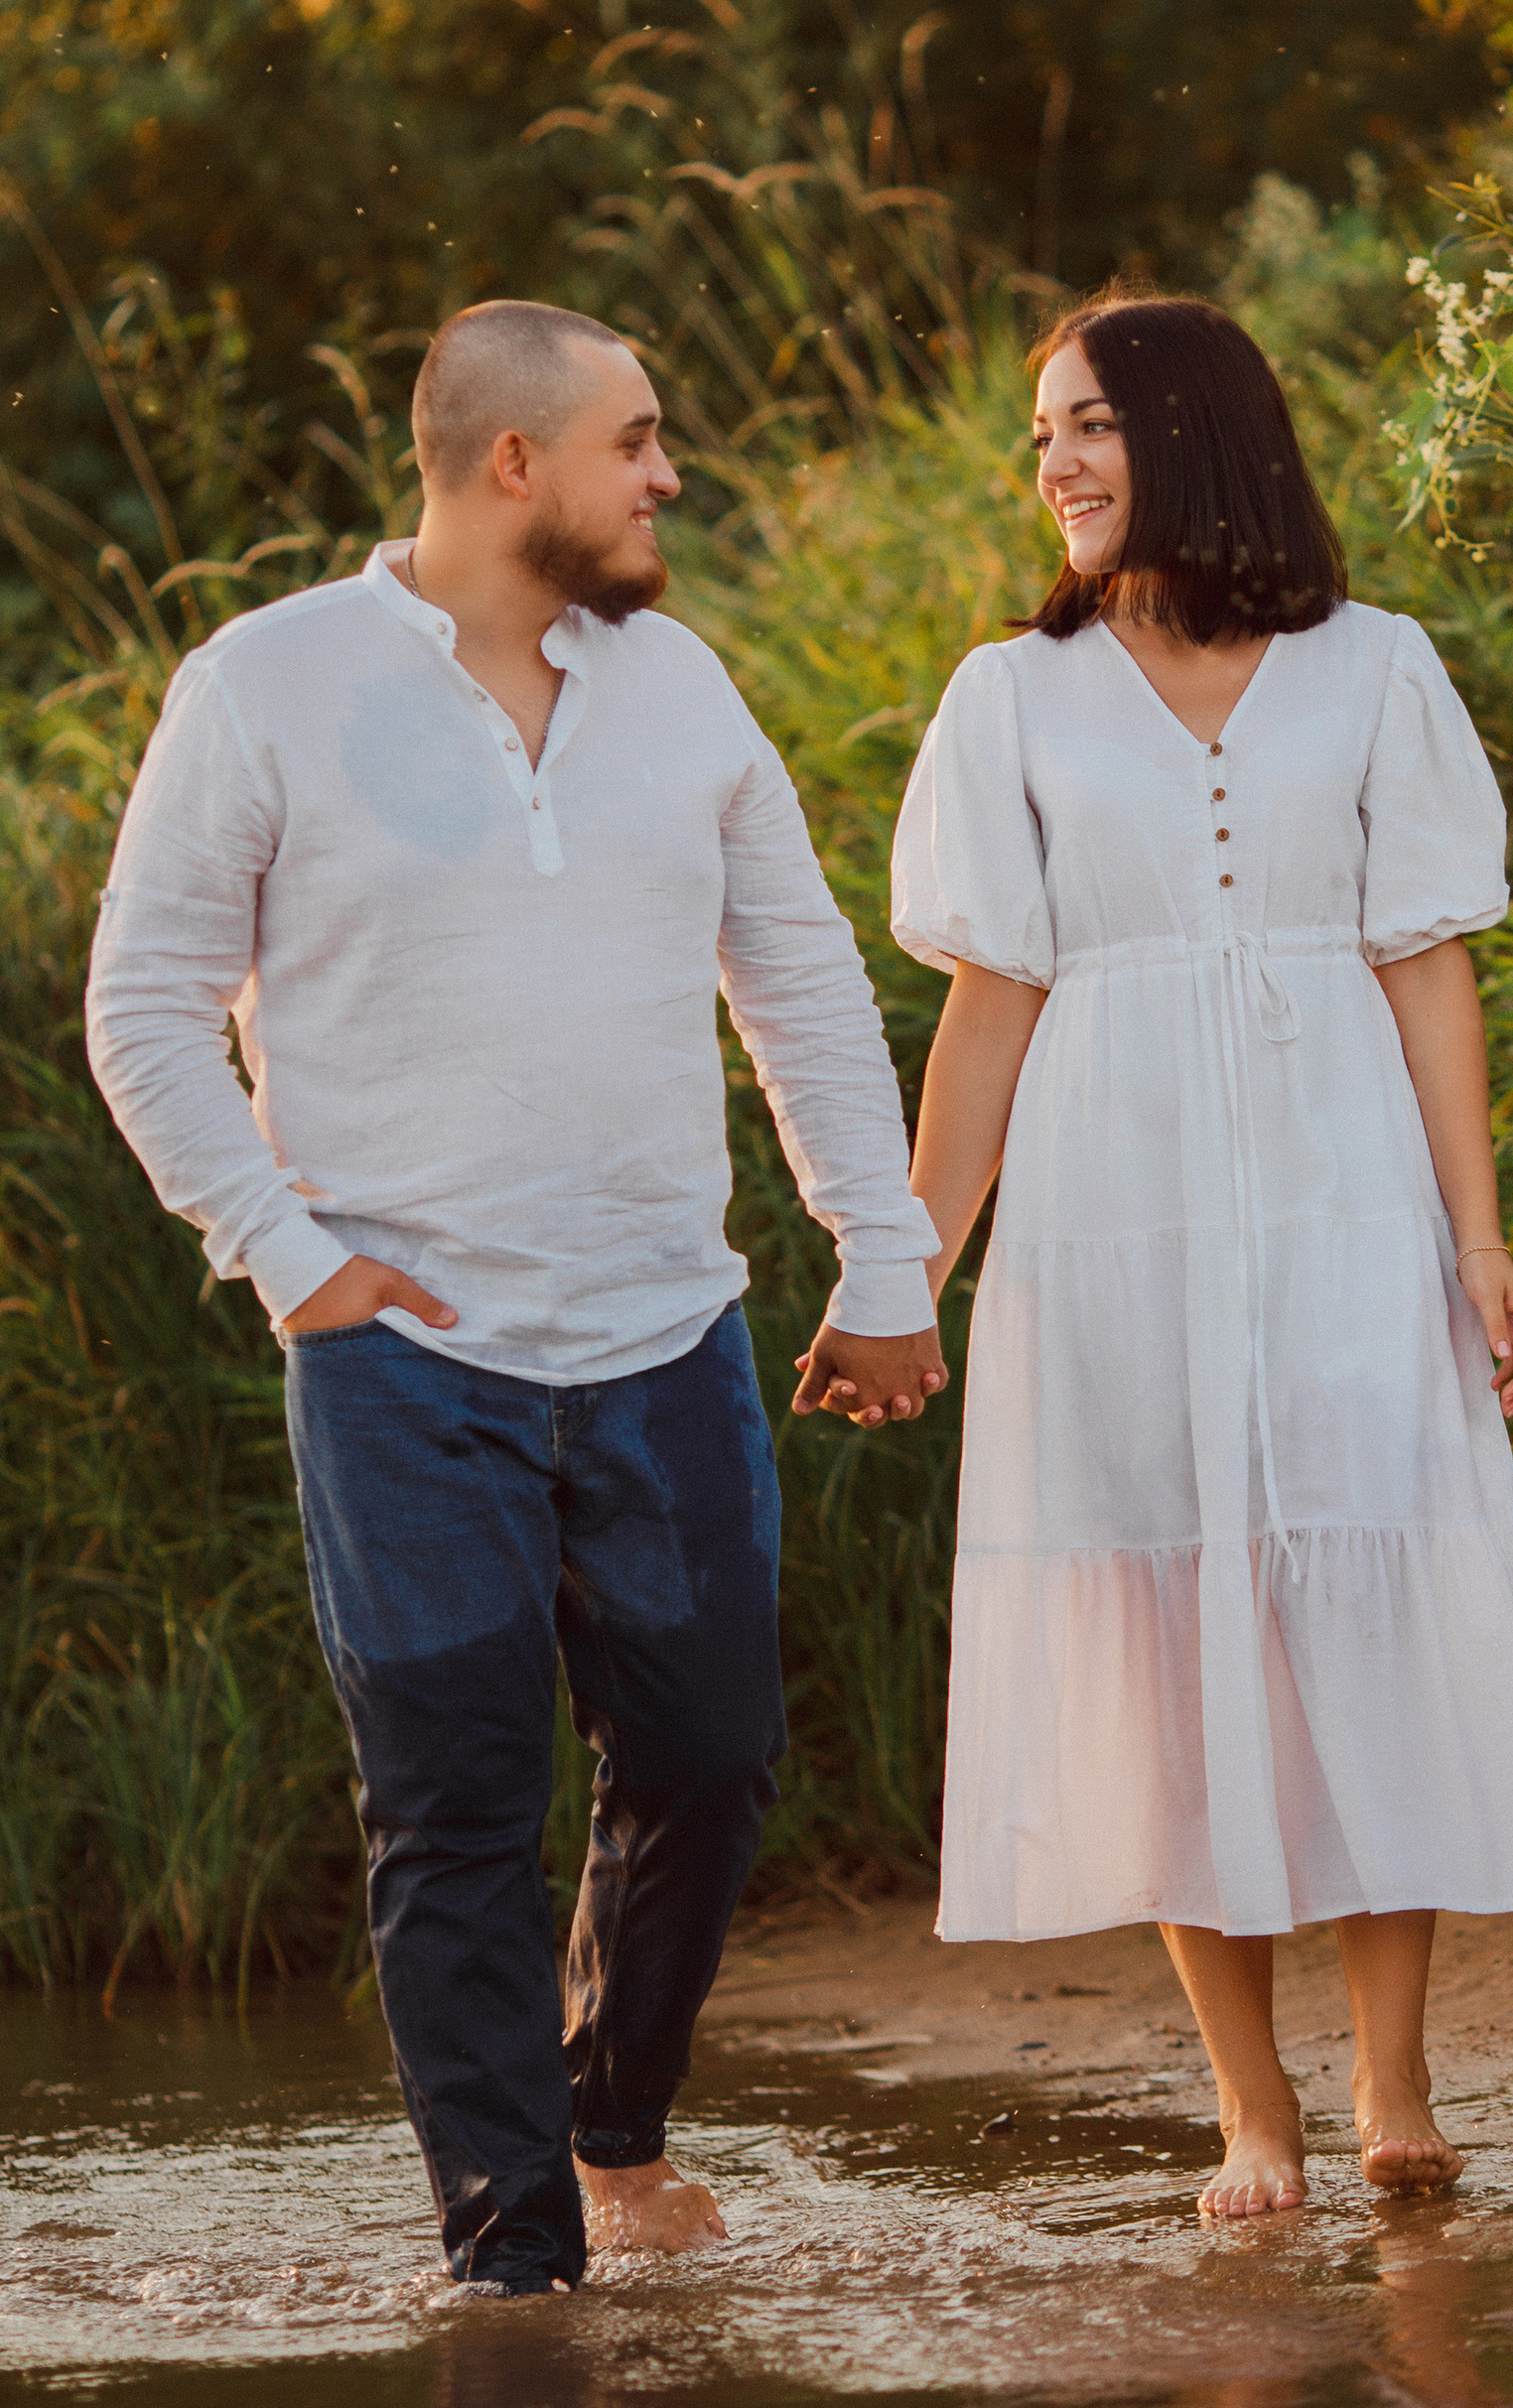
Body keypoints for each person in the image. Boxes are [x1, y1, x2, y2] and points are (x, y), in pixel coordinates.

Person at [86, 300, 944, 2293]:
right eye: (635, 440)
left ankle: (608, 2123)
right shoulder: (269, 685)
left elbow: (798, 984)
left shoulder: (681, 686)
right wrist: (284, 1255)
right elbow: (143, 1009)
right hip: (408, 1365)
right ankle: (509, 2251)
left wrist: (880, 1253)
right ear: (509, 465)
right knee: (451, 1806)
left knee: (713, 1759)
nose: (666, 474)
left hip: (666, 1333)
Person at [892, 294, 1513, 2221]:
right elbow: (986, 1005)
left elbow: (1425, 966)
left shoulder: (1372, 671)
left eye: (1087, 426)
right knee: (1156, 1636)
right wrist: (906, 1266)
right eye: (1038, 434)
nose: (1051, 464)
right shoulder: (1005, 700)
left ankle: (1389, 2085)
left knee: (1358, 1606)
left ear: (1196, 433)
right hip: (1105, 1216)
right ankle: (1247, 2108)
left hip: (1339, 1198)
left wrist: (1475, 1237)